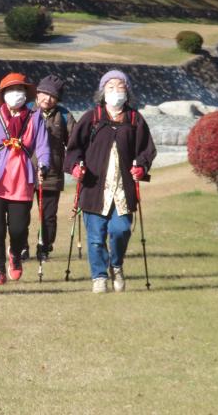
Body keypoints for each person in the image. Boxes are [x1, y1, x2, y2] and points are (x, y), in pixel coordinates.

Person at [65, 70, 156, 293]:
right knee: (96, 238)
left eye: (121, 86)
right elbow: (74, 149)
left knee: (121, 230)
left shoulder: (135, 119)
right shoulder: (91, 117)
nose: (116, 90)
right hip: (94, 189)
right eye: (111, 86)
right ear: (102, 91)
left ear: (128, 91)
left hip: (123, 190)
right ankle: (99, 277)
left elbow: (147, 150)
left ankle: (116, 265)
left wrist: (141, 167)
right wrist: (76, 167)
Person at [0, 73, 50, 285]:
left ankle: (15, 253)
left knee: (18, 228)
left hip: (22, 180)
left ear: (26, 95)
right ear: (4, 94)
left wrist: (43, 164)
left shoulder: (35, 118)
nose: (17, 94)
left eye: (21, 90)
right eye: (12, 90)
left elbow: (43, 146)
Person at [31, 75, 76, 261]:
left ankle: (45, 246)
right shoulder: (25, 112)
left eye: (52, 96)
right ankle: (20, 248)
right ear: (37, 92)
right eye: (44, 93)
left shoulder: (64, 116)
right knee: (20, 215)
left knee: (48, 215)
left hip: (52, 174)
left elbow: (75, 144)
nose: (47, 99)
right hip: (24, 172)